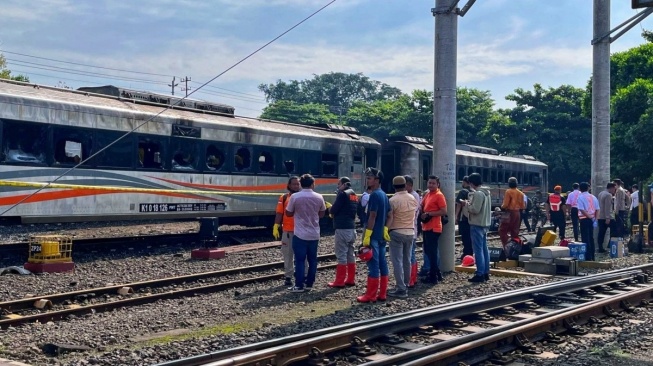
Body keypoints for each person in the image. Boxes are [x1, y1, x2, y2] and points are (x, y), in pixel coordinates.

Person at [285, 174, 326, 293]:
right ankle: (309, 284)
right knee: (313, 259)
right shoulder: (319, 197)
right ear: (313, 184)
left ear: (301, 184)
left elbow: (288, 213)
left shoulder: (295, 197)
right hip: (314, 233)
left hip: (300, 234)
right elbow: (322, 213)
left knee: (299, 260)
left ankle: (299, 285)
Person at [357, 167, 391, 303]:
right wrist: (385, 229)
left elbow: (372, 215)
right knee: (383, 264)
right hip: (381, 235)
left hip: (373, 235)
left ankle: (370, 295)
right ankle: (382, 294)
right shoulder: (383, 194)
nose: (367, 180)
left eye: (370, 178)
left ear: (377, 180)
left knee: (373, 265)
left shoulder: (374, 195)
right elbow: (389, 215)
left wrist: (367, 235)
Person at [386, 176, 417, 298]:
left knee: (397, 261)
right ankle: (406, 284)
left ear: (394, 186)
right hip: (410, 232)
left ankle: (400, 288)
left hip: (397, 232)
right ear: (405, 185)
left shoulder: (393, 200)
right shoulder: (412, 198)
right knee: (407, 260)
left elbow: (390, 217)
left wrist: (386, 230)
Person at [327, 177, 358, 288]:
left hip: (342, 229)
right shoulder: (354, 194)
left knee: (341, 255)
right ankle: (350, 279)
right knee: (351, 254)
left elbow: (334, 210)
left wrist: (329, 208)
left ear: (344, 184)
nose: (338, 186)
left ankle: (339, 281)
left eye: (339, 184)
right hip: (351, 228)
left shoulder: (343, 194)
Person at [273, 176, 300, 286]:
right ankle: (288, 276)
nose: (296, 186)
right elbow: (280, 213)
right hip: (288, 231)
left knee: (302, 255)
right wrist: (276, 225)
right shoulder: (284, 198)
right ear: (289, 185)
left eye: (298, 184)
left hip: (301, 231)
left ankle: (303, 275)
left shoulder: (302, 197)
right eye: (293, 184)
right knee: (288, 254)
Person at [419, 175, 447, 284]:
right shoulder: (428, 194)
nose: (431, 185)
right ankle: (437, 273)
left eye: (433, 183)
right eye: (429, 183)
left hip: (434, 227)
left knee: (432, 252)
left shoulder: (439, 195)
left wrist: (429, 214)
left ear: (437, 184)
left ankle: (433, 276)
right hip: (426, 226)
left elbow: (444, 211)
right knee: (429, 251)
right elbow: (422, 205)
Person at [466, 172, 492, 283]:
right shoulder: (487, 193)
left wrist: (466, 204)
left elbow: (475, 210)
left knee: (478, 250)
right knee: (485, 249)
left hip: (477, 224)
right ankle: (486, 272)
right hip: (485, 223)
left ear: (472, 183)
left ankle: (480, 273)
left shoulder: (478, 194)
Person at [404, 175, 421, 288]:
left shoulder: (414, 196)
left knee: (411, 255)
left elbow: (413, 213)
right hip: (409, 229)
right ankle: (411, 278)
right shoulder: (412, 195)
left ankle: (411, 278)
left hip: (411, 229)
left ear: (409, 185)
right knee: (409, 254)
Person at [577, 182, 600, 261]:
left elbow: (581, 209)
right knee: (591, 238)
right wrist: (595, 219)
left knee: (585, 238)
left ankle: (587, 257)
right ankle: (593, 256)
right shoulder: (593, 197)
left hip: (584, 219)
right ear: (588, 188)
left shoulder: (580, 197)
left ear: (580, 189)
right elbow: (597, 209)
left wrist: (589, 216)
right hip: (592, 220)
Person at [499, 177, 525, 247]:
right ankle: (514, 246)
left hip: (509, 213)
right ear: (516, 184)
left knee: (502, 230)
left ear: (509, 184)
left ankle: (506, 245)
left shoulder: (508, 191)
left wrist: (501, 207)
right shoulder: (521, 193)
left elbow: (505, 205)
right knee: (515, 231)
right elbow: (523, 206)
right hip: (517, 213)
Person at [455, 176, 473, 261]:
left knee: (465, 237)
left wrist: (456, 216)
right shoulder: (474, 191)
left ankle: (466, 253)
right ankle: (470, 253)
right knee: (470, 237)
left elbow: (459, 204)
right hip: (472, 218)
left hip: (464, 218)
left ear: (465, 182)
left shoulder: (463, 191)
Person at [597, 182, 616, 253]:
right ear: (611, 188)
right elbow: (607, 207)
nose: (614, 190)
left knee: (601, 232)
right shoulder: (608, 195)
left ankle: (600, 247)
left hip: (600, 216)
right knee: (615, 230)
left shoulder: (601, 193)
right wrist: (608, 217)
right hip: (607, 217)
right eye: (614, 189)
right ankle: (610, 245)